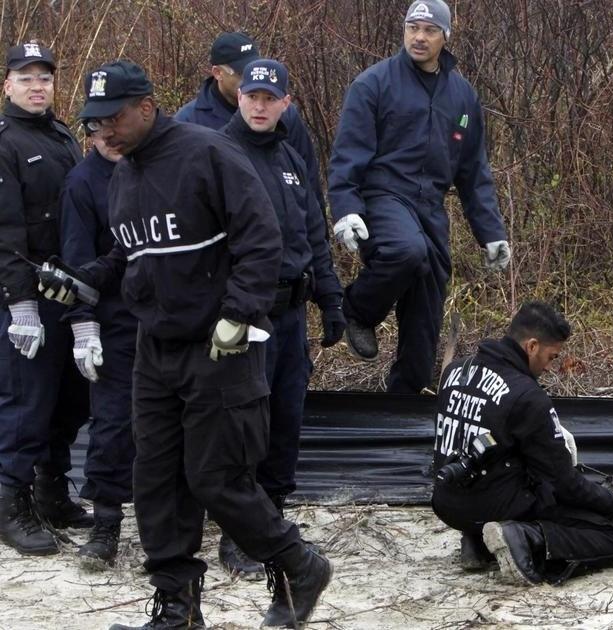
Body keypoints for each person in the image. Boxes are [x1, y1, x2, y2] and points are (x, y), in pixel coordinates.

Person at [41, 60, 331, 629]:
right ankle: (177, 608)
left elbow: (261, 235)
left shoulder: (209, 154)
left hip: (219, 347)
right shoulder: (123, 177)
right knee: (154, 482)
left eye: (112, 120)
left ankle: (297, 564)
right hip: (157, 348)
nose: (102, 133)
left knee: (215, 479)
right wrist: (84, 280)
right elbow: (132, 255)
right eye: (93, 125)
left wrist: (239, 312)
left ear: (146, 106)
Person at [328, 0, 511, 393]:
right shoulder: (374, 84)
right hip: (384, 195)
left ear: (446, 36)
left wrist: (491, 231)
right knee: (406, 251)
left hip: (430, 206)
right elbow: (347, 153)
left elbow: (473, 172)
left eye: (429, 30)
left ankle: (405, 401)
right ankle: (357, 310)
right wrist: (345, 208)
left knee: (428, 300)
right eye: (413, 28)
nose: (419, 37)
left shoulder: (462, 96)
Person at [220, 58, 346, 575]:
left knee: (285, 420)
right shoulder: (219, 155)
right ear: (239, 97)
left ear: (285, 104)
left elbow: (313, 233)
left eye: (271, 99)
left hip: (291, 315)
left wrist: (331, 297)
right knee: (242, 424)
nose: (260, 105)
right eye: (252, 96)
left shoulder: (292, 158)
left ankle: (272, 518)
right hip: (245, 315)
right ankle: (237, 533)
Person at [431, 301, 613, 585]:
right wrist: (612, 500)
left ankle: (476, 540)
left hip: (446, 503)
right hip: (491, 505)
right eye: (552, 357)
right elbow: (564, 483)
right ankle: (527, 538)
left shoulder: (455, 371)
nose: (549, 367)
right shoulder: (527, 396)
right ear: (531, 346)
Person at [0, 41, 92, 557]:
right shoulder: (5, 142)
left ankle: (51, 491)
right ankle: (9, 504)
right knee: (25, 405)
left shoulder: (61, 136)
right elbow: (5, 232)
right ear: (7, 85)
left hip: (68, 294)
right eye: (26, 77)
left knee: (70, 401)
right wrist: (21, 307)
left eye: (45, 78)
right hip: (25, 300)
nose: (38, 86)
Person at [59, 128, 135, 568]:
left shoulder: (155, 167)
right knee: (112, 424)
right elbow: (76, 259)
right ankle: (106, 523)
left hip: (165, 316)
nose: (110, 135)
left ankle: (178, 514)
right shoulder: (83, 183)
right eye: (98, 127)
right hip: (113, 320)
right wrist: (83, 323)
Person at [175, 31, 324, 209]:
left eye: (253, 69)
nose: (251, 78)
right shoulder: (189, 122)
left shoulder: (285, 113)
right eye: (241, 72)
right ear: (217, 72)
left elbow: (309, 182)